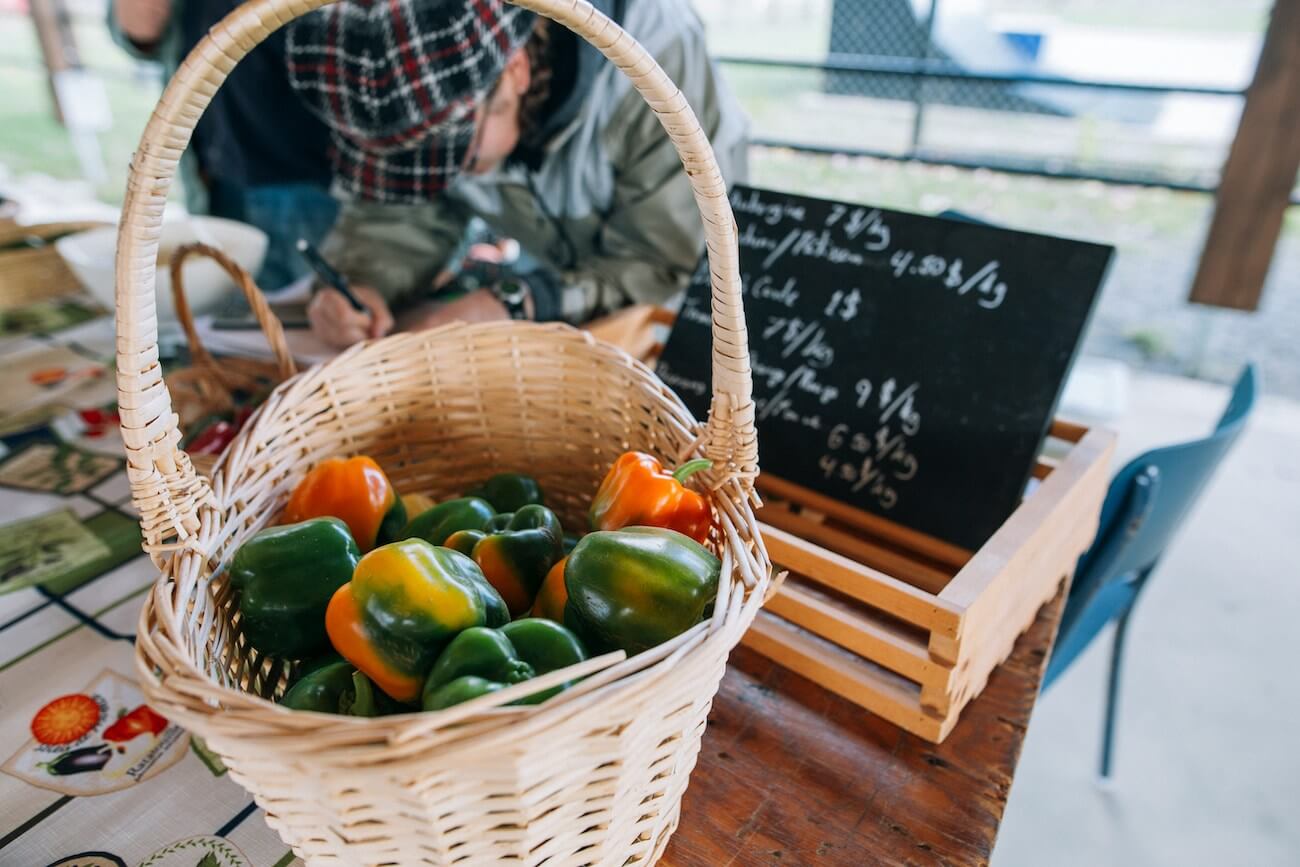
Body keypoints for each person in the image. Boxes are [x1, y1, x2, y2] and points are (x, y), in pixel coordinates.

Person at [285, 0, 749, 348]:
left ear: (516, 72)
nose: (436, 180)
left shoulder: (656, 61)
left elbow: (670, 270)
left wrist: (518, 300)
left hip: (691, 343)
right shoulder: (446, 87)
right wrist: (361, 285)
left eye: (454, 160)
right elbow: (396, 219)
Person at [108, 0, 336, 289]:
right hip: (217, 174)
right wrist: (135, 29)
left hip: (316, 175)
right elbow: (141, 30)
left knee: (334, 312)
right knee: (235, 320)